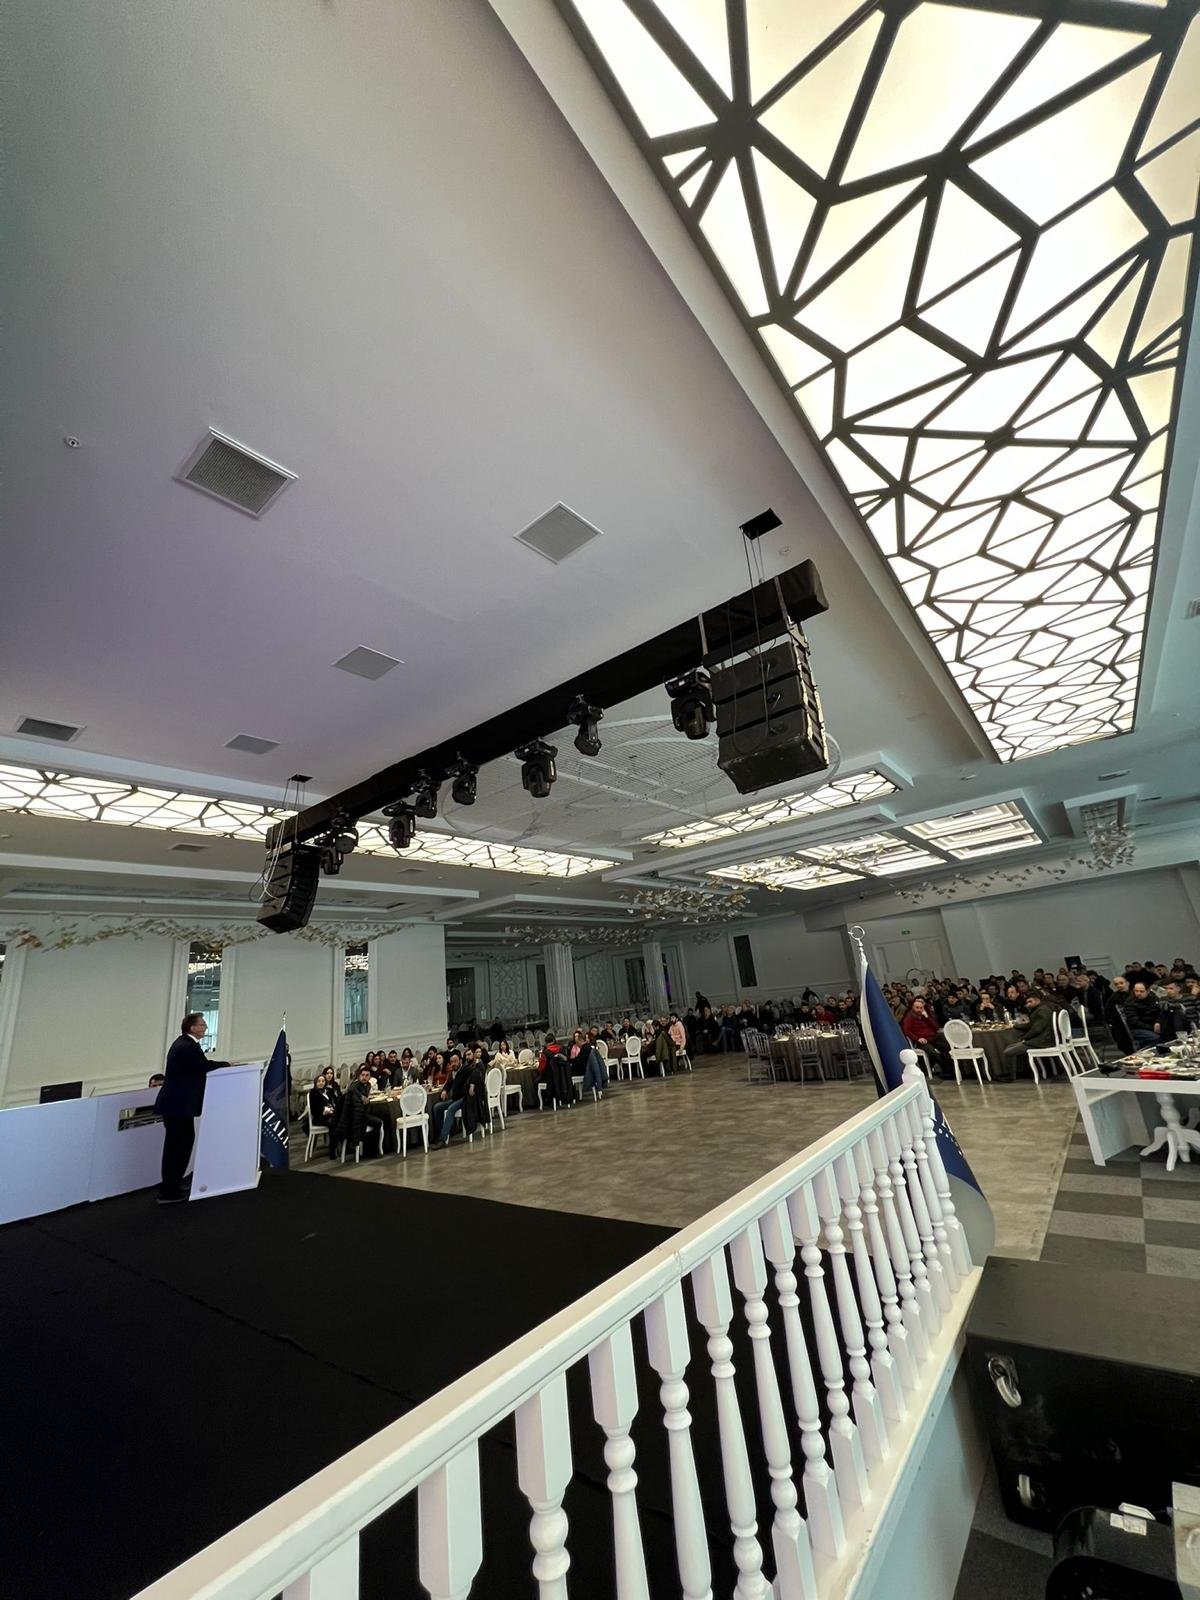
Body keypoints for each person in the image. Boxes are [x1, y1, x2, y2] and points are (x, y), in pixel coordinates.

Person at [154, 1014, 231, 1204]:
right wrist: (226, 1065)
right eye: (202, 1024)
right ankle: (169, 1190)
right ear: (192, 1028)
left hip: (177, 1106)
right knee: (177, 1148)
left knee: (179, 1145)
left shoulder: (184, 1044)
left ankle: (172, 1185)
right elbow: (202, 1066)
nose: (205, 1027)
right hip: (178, 1106)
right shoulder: (187, 1046)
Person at [1003, 994, 1057, 1077]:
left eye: (1030, 1001)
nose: (1028, 1004)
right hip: (1043, 1039)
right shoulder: (1041, 1009)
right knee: (1010, 1047)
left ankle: (1011, 1075)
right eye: (1027, 1002)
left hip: (1041, 1041)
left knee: (1008, 1051)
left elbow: (1036, 1029)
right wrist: (1015, 1025)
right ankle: (1020, 1072)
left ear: (1037, 1000)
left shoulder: (1042, 1010)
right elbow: (1031, 1025)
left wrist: (1025, 1038)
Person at [900, 998, 952, 1078]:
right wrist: (917, 1038)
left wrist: (927, 1017)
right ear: (913, 1007)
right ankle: (947, 1070)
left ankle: (953, 1068)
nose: (919, 1010)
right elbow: (907, 1031)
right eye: (917, 1007)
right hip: (922, 1041)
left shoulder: (925, 1016)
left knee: (947, 1046)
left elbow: (936, 1027)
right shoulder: (909, 1017)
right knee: (933, 1053)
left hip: (933, 1037)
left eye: (921, 1008)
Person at [431, 1053, 469, 1145]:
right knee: (437, 1107)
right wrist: (444, 1090)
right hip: (455, 1098)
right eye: (451, 1062)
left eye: (455, 1061)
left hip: (464, 1098)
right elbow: (448, 1084)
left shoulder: (465, 1070)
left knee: (450, 1109)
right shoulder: (452, 1072)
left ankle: (442, 1139)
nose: (453, 1064)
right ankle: (441, 1133)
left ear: (460, 1061)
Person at [308, 1070, 341, 1159]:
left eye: (323, 1081)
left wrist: (332, 1108)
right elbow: (314, 1110)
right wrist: (326, 1110)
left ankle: (342, 1146)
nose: (321, 1083)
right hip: (319, 1117)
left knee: (339, 1120)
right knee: (333, 1123)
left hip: (330, 1115)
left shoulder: (328, 1091)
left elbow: (334, 1102)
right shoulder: (313, 1093)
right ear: (315, 1083)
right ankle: (332, 1150)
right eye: (319, 1081)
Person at [1124, 981, 1161, 1047]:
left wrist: (1158, 1022)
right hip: (1138, 1028)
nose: (1138, 993)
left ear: (1148, 991)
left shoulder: (1153, 997)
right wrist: (1152, 1028)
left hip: (1154, 1024)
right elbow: (1134, 1022)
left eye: (1142, 991)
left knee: (1170, 1032)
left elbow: (1160, 1012)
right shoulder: (1130, 1002)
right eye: (1136, 991)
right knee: (1156, 1038)